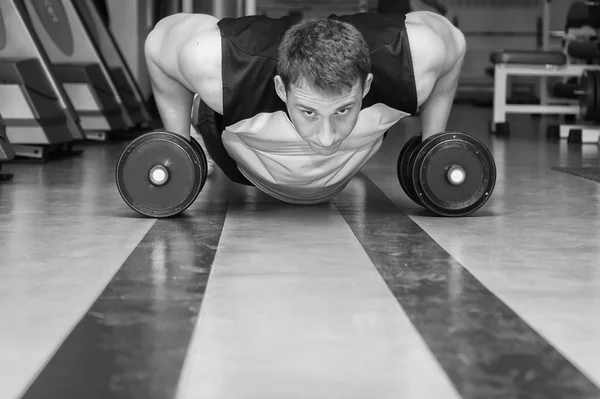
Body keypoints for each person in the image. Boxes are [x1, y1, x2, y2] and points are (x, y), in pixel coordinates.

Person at [144, 11, 465, 204]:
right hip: (237, 151)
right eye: (309, 112)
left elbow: (453, 40)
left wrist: (434, 144)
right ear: (281, 90)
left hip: (336, 163)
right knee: (206, 94)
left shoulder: (409, 64)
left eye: (343, 111)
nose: (326, 139)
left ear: (366, 86)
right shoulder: (220, 66)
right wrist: (179, 145)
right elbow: (159, 41)